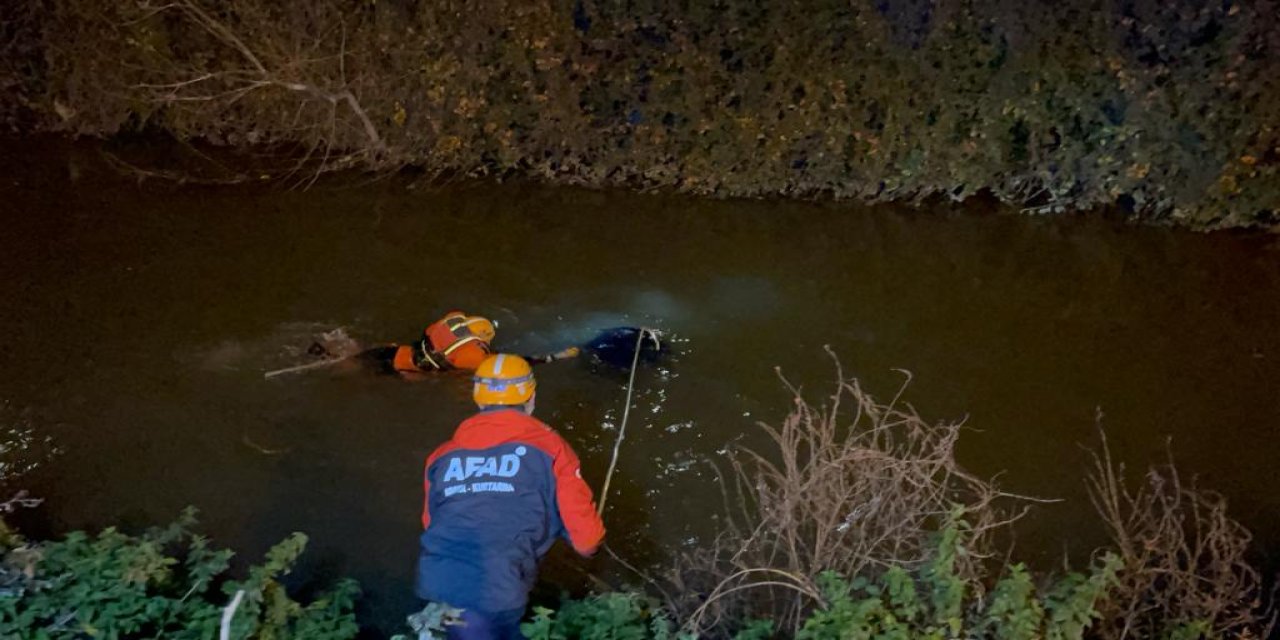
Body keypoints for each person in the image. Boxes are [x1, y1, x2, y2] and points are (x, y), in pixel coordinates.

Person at [415, 354, 605, 639]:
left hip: (435, 582)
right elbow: (586, 541)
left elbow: (432, 523)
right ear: (531, 398)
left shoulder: (440, 456)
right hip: (498, 590)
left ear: (479, 400)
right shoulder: (552, 449)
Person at [354, 311, 579, 377]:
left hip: (393, 350)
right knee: (347, 367)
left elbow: (427, 334)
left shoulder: (451, 321)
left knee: (352, 354)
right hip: (395, 369)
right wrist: (556, 357)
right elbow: (514, 362)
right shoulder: (473, 356)